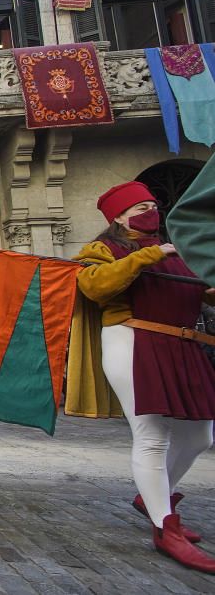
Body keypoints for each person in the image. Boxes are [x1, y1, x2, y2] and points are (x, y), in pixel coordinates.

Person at [76, 181, 215, 573]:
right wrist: (148, 256)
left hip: (183, 345)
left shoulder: (179, 251)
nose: (149, 211)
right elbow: (93, 286)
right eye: (139, 207)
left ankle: (155, 496)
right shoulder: (104, 250)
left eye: (152, 205)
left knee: (200, 435)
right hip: (133, 340)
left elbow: (201, 290)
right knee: (152, 435)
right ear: (118, 217)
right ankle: (164, 527)